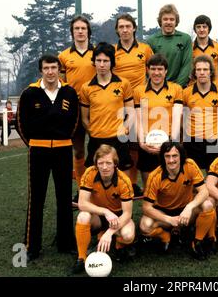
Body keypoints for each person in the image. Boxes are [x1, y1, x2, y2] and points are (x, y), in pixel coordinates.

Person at [16, 54, 79, 261]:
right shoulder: (29, 93)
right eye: (46, 68)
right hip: (38, 152)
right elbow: (21, 124)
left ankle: (66, 243)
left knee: (64, 198)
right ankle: (32, 246)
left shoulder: (70, 92)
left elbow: (75, 121)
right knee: (37, 199)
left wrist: (62, 141)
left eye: (54, 67)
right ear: (41, 70)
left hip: (63, 150)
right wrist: (35, 144)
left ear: (59, 69)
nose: (50, 72)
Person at [139, 142, 216, 260]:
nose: (171, 160)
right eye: (167, 156)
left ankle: (197, 241)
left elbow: (204, 191)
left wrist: (189, 207)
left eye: (175, 156)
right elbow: (146, 207)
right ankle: (165, 235)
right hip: (165, 213)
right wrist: (168, 219)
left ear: (181, 156)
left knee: (208, 204)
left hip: (186, 212)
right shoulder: (155, 176)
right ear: (162, 158)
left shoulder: (189, 165)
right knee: (145, 226)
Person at [71, 145, 136, 274]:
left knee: (128, 235)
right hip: (99, 216)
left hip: (118, 217)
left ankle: (118, 244)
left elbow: (127, 214)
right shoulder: (90, 172)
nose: (104, 167)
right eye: (101, 163)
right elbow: (82, 203)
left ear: (115, 164)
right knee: (83, 216)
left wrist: (109, 232)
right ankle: (81, 257)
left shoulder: (124, 180)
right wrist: (105, 212)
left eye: (108, 163)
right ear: (96, 164)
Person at [113, 13, 154, 196]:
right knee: (122, 144)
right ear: (117, 30)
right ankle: (124, 183)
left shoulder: (145, 49)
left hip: (140, 102)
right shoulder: (112, 51)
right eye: (121, 27)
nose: (125, 30)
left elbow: (153, 71)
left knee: (138, 143)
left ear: (134, 28)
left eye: (128, 26)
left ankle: (135, 183)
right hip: (119, 103)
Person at [80, 42, 134, 176]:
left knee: (124, 181)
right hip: (96, 140)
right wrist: (93, 132)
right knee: (95, 181)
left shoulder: (124, 83)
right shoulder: (86, 88)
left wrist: (125, 129)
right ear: (94, 62)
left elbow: (131, 112)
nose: (102, 64)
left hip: (119, 139)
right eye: (98, 60)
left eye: (106, 61)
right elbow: (84, 118)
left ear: (112, 62)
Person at [58, 15, 95, 208]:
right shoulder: (64, 56)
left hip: (96, 107)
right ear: (72, 32)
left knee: (98, 148)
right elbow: (60, 83)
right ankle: (82, 189)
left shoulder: (97, 54)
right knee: (79, 149)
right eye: (76, 28)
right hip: (74, 108)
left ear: (89, 31)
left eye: (83, 28)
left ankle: (98, 187)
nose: (80, 31)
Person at [133, 53, 183, 184]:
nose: (156, 73)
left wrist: (172, 143)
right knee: (149, 185)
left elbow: (177, 117)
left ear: (166, 71)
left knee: (170, 184)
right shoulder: (139, 91)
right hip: (147, 144)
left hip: (169, 144)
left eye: (160, 69)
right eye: (153, 69)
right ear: (148, 70)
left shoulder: (176, 89)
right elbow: (138, 119)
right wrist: (142, 143)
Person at [182, 55, 218, 171]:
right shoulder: (186, 93)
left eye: (205, 69)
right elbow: (181, 119)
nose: (202, 73)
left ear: (211, 72)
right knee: (192, 180)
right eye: (198, 70)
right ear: (194, 72)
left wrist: (215, 135)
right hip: (192, 142)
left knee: (214, 178)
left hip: (214, 141)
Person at [147, 4, 193, 88]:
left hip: (179, 87)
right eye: (165, 19)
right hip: (157, 88)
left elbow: (187, 65)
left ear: (176, 21)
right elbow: (149, 68)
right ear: (160, 21)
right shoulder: (151, 40)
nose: (168, 22)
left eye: (172, 19)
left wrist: (177, 87)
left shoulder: (185, 39)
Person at [192, 15, 218, 85]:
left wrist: (213, 83)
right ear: (195, 29)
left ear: (209, 29)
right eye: (198, 27)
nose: (201, 30)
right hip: (193, 90)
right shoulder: (189, 48)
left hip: (213, 90)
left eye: (204, 27)